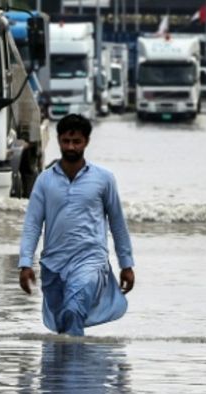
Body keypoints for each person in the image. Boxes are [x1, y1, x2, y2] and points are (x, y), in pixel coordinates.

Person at [18, 114, 136, 337]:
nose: (70, 147)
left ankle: (76, 366)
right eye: (65, 141)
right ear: (59, 140)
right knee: (64, 320)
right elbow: (32, 224)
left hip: (91, 260)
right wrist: (25, 263)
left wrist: (126, 264)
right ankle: (69, 367)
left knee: (74, 308)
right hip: (53, 264)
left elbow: (117, 223)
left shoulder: (104, 179)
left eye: (76, 142)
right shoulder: (45, 180)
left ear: (86, 142)